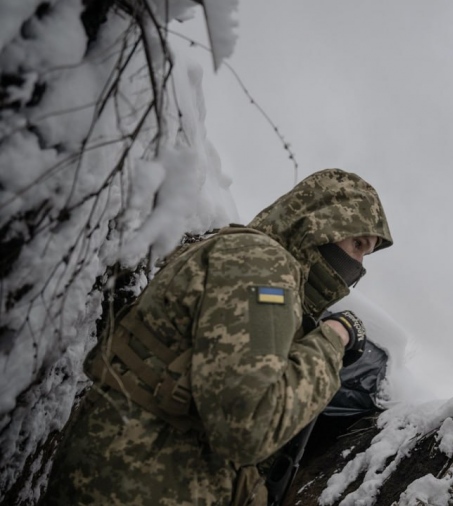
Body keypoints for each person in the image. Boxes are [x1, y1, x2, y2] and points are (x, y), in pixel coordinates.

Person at [42, 168, 393, 505]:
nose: (359, 264)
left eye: (367, 251)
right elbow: (250, 426)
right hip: (138, 485)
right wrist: (333, 338)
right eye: (358, 243)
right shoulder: (263, 265)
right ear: (322, 223)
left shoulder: (259, 268)